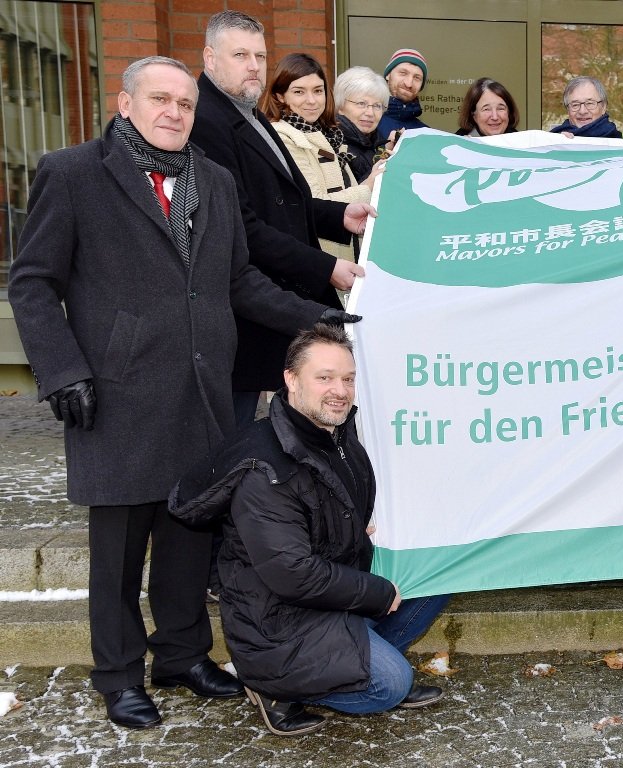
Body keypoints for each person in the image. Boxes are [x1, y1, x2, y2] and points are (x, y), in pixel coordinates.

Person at [7, 56, 351, 730]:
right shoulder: (73, 173)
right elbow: (32, 283)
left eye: (185, 103)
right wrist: (63, 371)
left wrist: (312, 319)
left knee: (188, 537)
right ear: (126, 103)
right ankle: (117, 675)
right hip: (114, 394)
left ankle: (182, 656)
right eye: (159, 99)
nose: (173, 113)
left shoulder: (213, 180)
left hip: (201, 389)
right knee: (119, 552)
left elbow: (238, 281)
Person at [171, 324, 450, 736]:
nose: (340, 390)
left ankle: (356, 664)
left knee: (439, 575)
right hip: (281, 624)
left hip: (329, 603)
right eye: (324, 378)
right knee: (392, 685)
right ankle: (273, 688)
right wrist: (377, 591)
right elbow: (294, 574)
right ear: (291, 379)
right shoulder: (265, 468)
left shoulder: (335, 438)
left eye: (348, 378)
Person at [190, 10, 371, 426]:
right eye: (240, 54)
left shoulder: (247, 113)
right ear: (210, 57)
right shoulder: (206, 121)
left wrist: (341, 216)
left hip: (278, 303)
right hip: (249, 309)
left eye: (259, 56)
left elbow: (286, 201)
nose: (253, 66)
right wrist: (327, 268)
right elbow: (244, 228)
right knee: (234, 441)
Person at [263, 53, 383, 263]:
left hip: (343, 256)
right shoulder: (282, 137)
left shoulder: (326, 134)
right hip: (318, 260)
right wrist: (369, 186)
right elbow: (314, 205)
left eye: (318, 91)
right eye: (299, 92)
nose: (311, 100)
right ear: (281, 96)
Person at [335, 66, 395, 183]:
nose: (370, 113)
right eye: (361, 103)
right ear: (341, 106)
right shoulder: (333, 146)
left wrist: (387, 150)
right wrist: (384, 156)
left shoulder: (376, 141)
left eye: (377, 106)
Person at [378, 48, 429, 138]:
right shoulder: (366, 121)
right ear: (388, 75)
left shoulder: (426, 134)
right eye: (403, 73)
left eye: (417, 78)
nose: (409, 83)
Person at [549, 76, 623, 139]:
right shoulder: (551, 140)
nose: (582, 111)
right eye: (575, 105)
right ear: (568, 109)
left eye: (590, 103)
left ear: (603, 107)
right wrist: (556, 145)